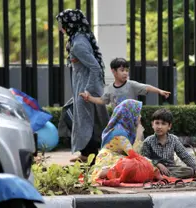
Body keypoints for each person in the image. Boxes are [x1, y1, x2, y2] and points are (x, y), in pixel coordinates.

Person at [56, 9, 109, 163]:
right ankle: (86, 154)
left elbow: (95, 68)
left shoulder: (78, 44)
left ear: (70, 24)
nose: (60, 28)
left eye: (61, 24)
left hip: (86, 90)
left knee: (82, 121)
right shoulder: (77, 38)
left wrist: (88, 90)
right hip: (82, 87)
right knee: (80, 119)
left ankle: (90, 157)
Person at [90, 99, 160, 183]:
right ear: (128, 114)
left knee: (142, 163)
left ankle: (109, 173)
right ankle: (105, 173)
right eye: (137, 113)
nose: (140, 116)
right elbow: (135, 155)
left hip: (118, 157)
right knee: (140, 163)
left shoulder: (125, 130)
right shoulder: (119, 133)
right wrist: (139, 134)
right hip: (109, 159)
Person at [80, 58, 171, 108]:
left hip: (132, 121)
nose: (125, 73)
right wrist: (89, 98)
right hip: (118, 123)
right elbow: (102, 100)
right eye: (122, 70)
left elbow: (146, 87)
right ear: (113, 71)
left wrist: (160, 91)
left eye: (127, 70)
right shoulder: (110, 88)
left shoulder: (131, 84)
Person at [141, 108, 196, 179]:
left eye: (163, 124)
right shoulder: (148, 141)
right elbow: (143, 159)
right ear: (152, 124)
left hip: (171, 169)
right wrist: (157, 164)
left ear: (169, 126)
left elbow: (185, 155)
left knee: (190, 171)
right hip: (154, 169)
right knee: (146, 171)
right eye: (157, 123)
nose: (159, 127)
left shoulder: (174, 139)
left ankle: (163, 177)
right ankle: (159, 176)